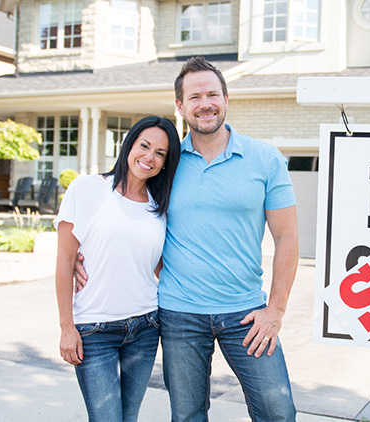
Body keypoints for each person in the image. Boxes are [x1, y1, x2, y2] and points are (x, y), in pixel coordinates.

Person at [76, 56, 299, 421]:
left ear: (226, 99)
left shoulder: (265, 159)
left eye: (212, 94)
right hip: (179, 314)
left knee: (278, 410)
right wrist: (76, 252)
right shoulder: (167, 163)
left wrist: (274, 311)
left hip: (245, 311)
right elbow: (125, 211)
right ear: (180, 106)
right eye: (194, 97)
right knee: (187, 416)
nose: (205, 103)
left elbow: (288, 236)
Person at [54, 115, 181, 422]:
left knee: (128, 417)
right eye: (145, 146)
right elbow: (64, 261)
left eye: (160, 154)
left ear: (166, 163)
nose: (149, 157)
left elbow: (160, 266)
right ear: (129, 145)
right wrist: (66, 327)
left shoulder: (158, 206)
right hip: (95, 329)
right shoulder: (88, 188)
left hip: (146, 327)